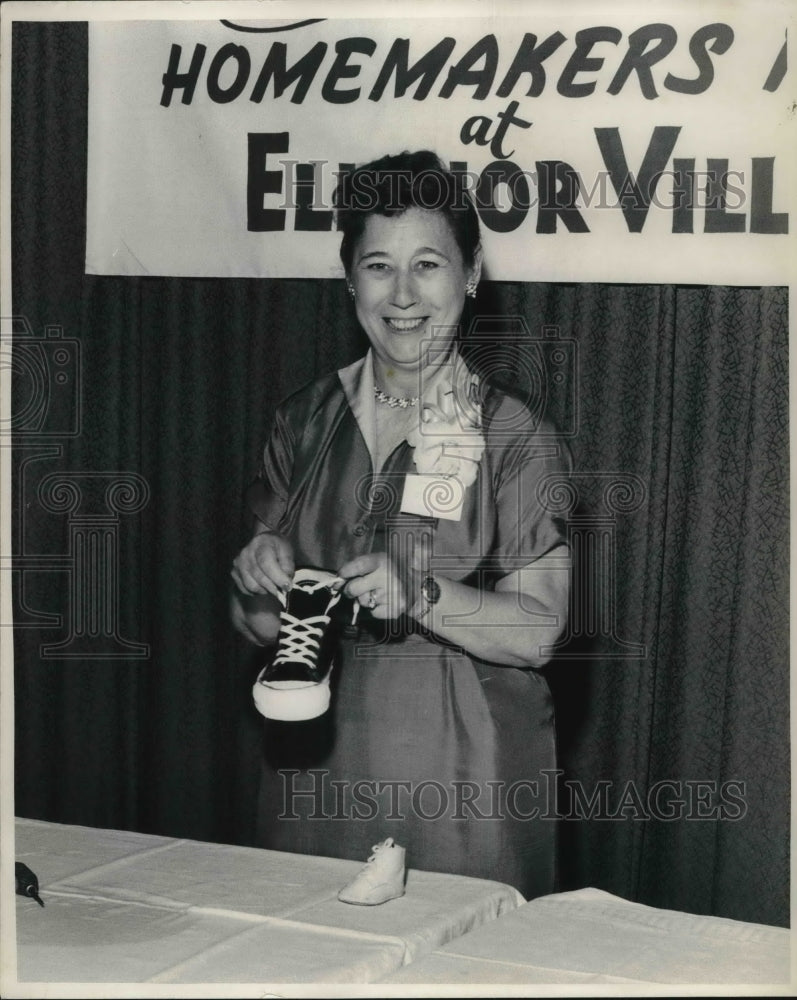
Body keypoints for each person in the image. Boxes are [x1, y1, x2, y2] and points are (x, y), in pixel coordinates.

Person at [231, 150, 571, 900]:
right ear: (348, 276)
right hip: (312, 770)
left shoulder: (513, 434)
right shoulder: (302, 420)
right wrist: (259, 575)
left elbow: (540, 629)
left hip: (465, 776)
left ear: (472, 273)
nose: (404, 295)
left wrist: (417, 592)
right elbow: (255, 626)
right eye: (378, 266)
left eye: (428, 264)